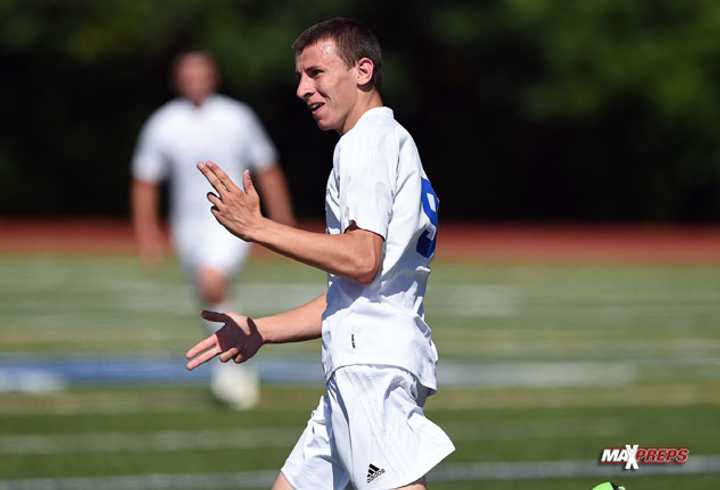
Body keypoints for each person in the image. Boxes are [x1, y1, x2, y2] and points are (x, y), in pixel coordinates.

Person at [186, 17, 454, 489]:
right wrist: (261, 330)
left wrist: (259, 228)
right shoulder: (390, 140)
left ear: (363, 71)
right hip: (365, 357)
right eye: (299, 76)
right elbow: (355, 292)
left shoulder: (365, 143)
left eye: (315, 73)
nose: (302, 89)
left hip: (368, 366)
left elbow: (361, 259)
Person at [131, 50, 295, 409]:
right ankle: (236, 355)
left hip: (232, 222)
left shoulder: (237, 116)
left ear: (214, 76)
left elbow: (267, 168)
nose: (194, 80)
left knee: (212, 282)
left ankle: (233, 370)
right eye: (187, 74)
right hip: (187, 228)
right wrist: (147, 235)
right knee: (210, 298)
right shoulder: (163, 122)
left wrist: (281, 224)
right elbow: (145, 181)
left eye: (200, 73)